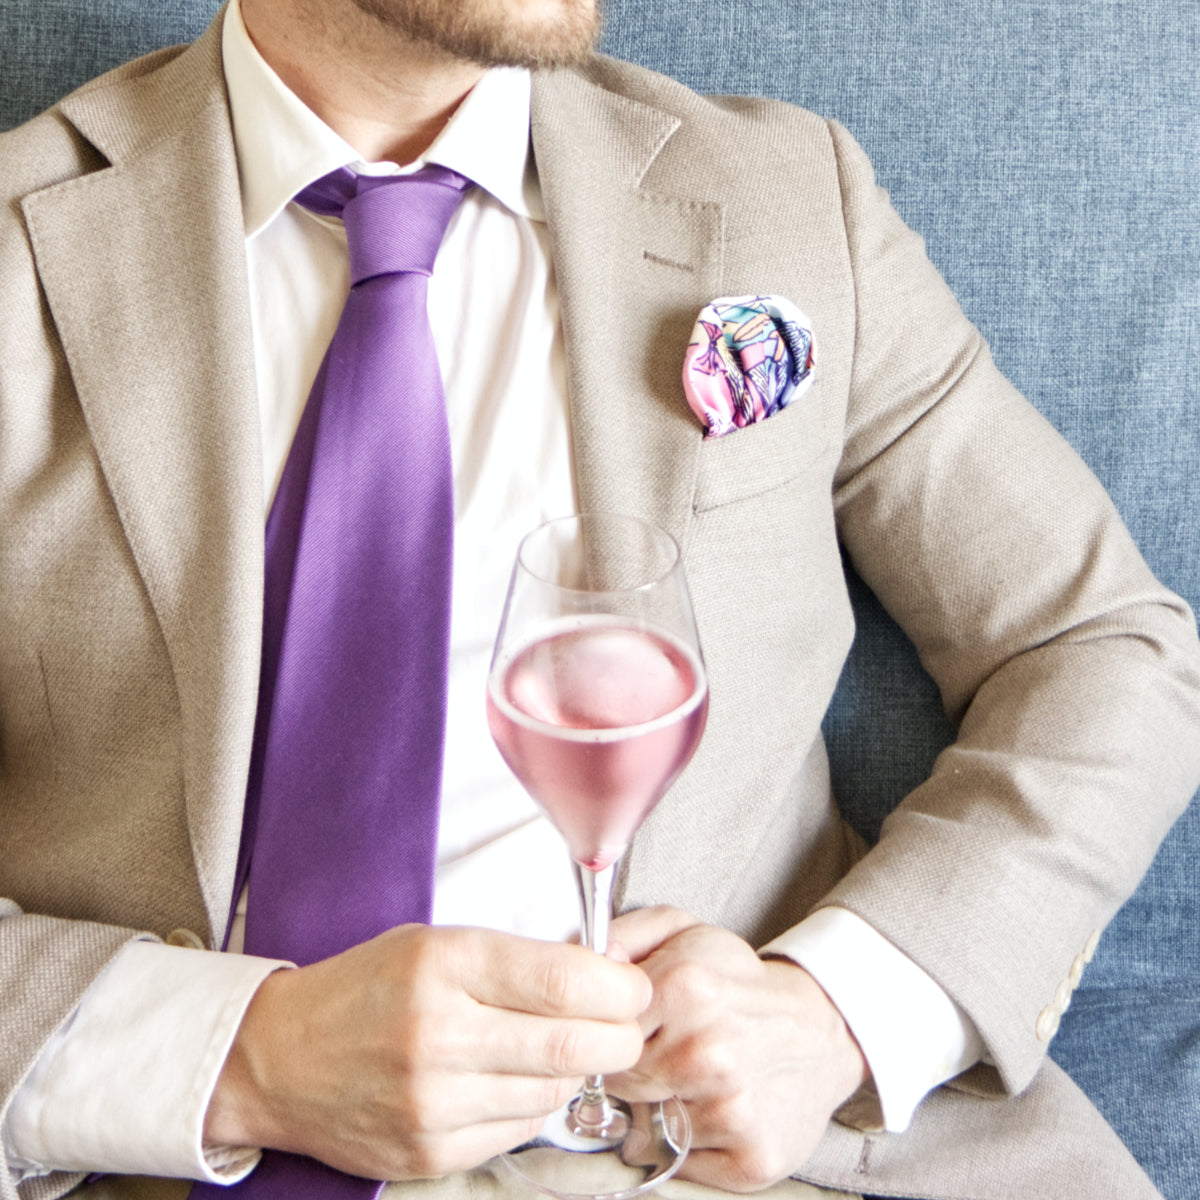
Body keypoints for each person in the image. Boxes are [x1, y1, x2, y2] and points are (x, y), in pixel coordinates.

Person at [1, 1, 1198, 1199]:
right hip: (168, 1156)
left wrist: (840, 1011)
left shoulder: (791, 197)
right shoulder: (22, 247)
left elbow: (1101, 644)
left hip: (745, 1164)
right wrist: (234, 1060)